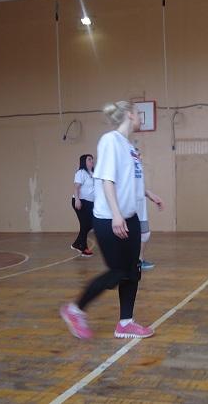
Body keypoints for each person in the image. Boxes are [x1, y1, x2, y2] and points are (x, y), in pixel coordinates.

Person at [60, 100, 153, 340]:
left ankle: (125, 323)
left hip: (130, 217)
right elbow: (107, 181)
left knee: (133, 271)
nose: (141, 117)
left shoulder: (129, 147)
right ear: (130, 115)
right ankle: (75, 310)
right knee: (117, 272)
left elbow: (131, 182)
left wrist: (150, 196)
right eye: (138, 113)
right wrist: (116, 214)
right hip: (110, 218)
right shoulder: (110, 140)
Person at [134, 146, 164, 270]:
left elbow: (139, 187)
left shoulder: (139, 168)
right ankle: (129, 262)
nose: (140, 156)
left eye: (140, 154)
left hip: (141, 206)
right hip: (130, 206)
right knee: (129, 235)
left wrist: (151, 195)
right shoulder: (126, 167)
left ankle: (139, 260)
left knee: (145, 234)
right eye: (137, 154)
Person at [71, 154, 95, 257]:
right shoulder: (81, 172)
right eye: (89, 159)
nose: (92, 161)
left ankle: (77, 243)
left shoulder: (92, 173)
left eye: (92, 159)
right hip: (80, 201)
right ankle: (83, 247)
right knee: (85, 224)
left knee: (91, 224)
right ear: (84, 161)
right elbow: (76, 187)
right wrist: (77, 200)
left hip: (90, 203)